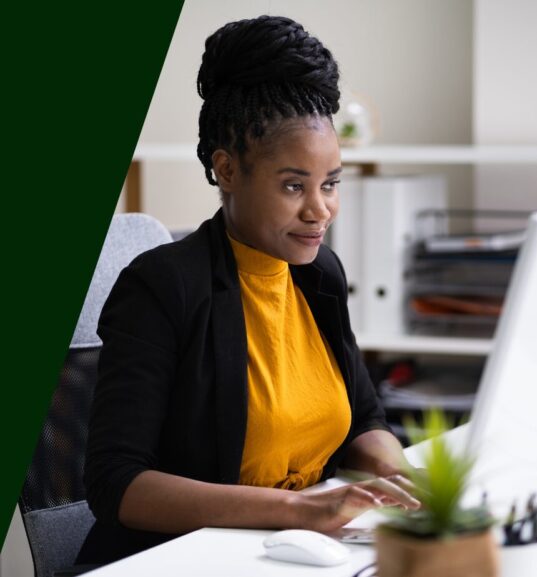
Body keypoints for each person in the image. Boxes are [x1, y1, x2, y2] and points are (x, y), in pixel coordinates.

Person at [76, 15, 418, 565]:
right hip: (176, 558)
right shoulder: (162, 287)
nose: (320, 209)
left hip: (292, 550)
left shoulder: (319, 274)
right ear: (227, 170)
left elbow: (365, 417)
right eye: (292, 186)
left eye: (330, 184)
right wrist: (300, 511)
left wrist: (408, 483)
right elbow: (117, 485)